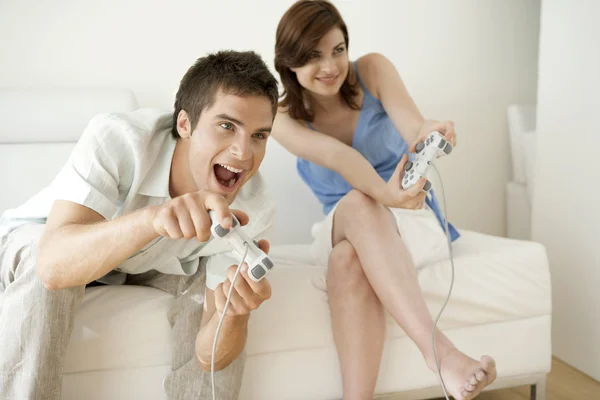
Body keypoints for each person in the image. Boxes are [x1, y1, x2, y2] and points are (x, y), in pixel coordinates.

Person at [0, 50, 278, 400]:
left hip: (149, 264)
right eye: (227, 126)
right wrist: (153, 220)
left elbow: (209, 359)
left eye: (259, 135)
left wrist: (232, 316)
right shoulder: (119, 139)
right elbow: (53, 266)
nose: (243, 153)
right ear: (184, 124)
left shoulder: (255, 208)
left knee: (204, 292)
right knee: (45, 275)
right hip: (49, 241)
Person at [271, 1, 497, 399]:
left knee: (346, 261)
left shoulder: (372, 70)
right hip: (341, 222)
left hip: (410, 217)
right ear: (289, 64)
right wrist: (384, 194)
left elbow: (414, 128)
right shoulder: (282, 118)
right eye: (312, 56)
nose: (330, 66)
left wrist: (432, 133)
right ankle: (440, 355)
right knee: (359, 204)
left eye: (338, 49)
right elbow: (341, 158)